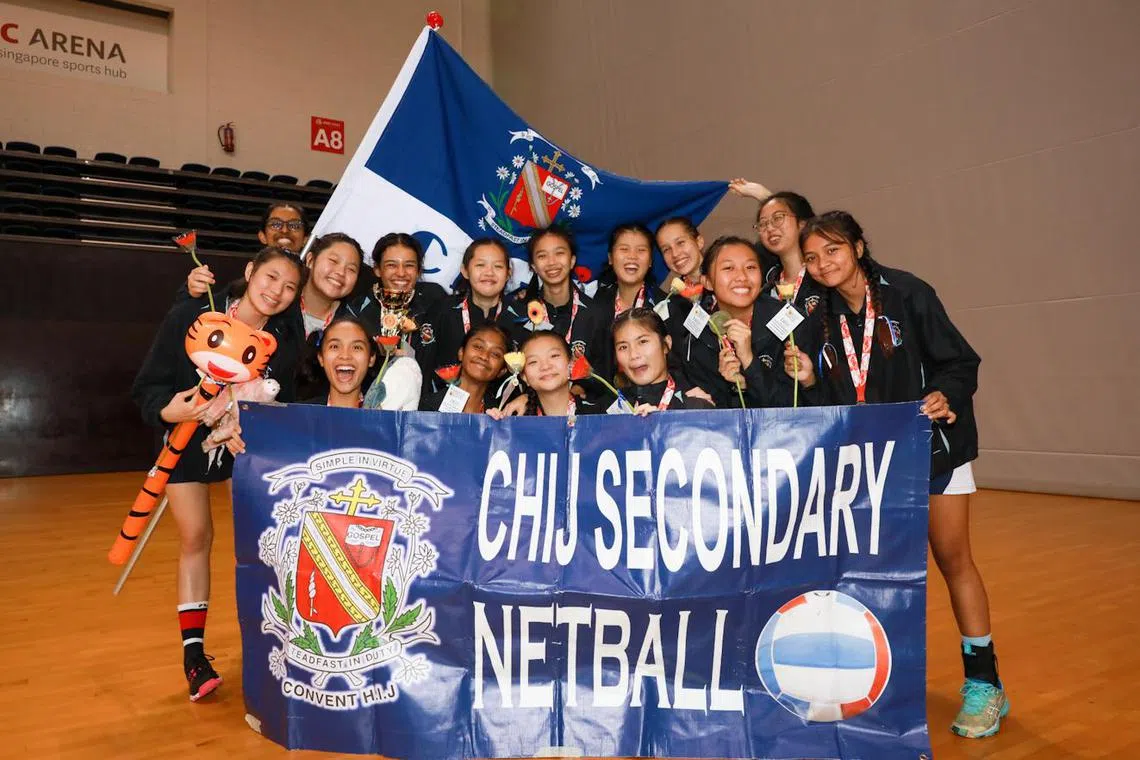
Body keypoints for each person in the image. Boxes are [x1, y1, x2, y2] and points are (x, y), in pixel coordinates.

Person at [781, 210, 1006, 739]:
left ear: (858, 247)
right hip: (871, 467)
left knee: (954, 562)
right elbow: (837, 400)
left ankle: (985, 683)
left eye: (832, 250)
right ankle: (876, 685)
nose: (822, 263)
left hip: (933, 452)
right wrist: (811, 377)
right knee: (874, 575)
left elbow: (960, 362)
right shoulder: (817, 315)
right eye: (811, 257)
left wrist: (945, 395)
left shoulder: (908, 293)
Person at [130, 246, 305, 702]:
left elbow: (283, 399)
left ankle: (282, 645)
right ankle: (194, 657)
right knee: (196, 536)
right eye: (270, 278)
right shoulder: (192, 312)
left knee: (268, 540)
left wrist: (244, 419)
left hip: (246, 447)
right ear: (249, 272)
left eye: (289, 287)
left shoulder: (285, 337)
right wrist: (171, 409)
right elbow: (148, 387)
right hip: (186, 441)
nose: (276, 292)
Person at [672, 236, 784, 409]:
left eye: (750, 267)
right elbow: (712, 416)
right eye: (729, 268)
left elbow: (795, 405)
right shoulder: (697, 340)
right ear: (707, 282)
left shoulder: (786, 322)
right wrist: (736, 387)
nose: (741, 276)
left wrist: (749, 361)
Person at [504, 224, 610, 402]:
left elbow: (605, 373)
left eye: (559, 253)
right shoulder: (517, 315)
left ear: (572, 260)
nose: (552, 262)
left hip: (583, 414)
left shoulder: (596, 313)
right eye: (542, 256)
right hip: (530, 413)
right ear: (533, 266)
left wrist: (577, 390)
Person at [418, 238, 514, 397]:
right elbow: (424, 364)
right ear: (465, 270)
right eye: (480, 265)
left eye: (498, 266)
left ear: (508, 273)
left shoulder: (523, 317)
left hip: (503, 413)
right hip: (444, 410)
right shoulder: (443, 311)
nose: (489, 272)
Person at [612, 308, 713, 413]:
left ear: (666, 344)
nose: (633, 355)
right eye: (623, 347)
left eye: (643, 341)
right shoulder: (611, 409)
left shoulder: (693, 405)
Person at [487, 330, 599, 419]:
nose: (545, 366)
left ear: (571, 363)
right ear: (524, 376)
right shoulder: (517, 420)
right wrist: (496, 426)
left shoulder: (599, 414)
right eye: (533, 362)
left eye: (554, 356)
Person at [420, 324, 512, 413]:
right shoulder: (426, 408)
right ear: (461, 353)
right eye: (478, 347)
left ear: (502, 371)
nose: (484, 356)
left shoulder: (502, 418)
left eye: (495, 354)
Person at [593, 223, 664, 322]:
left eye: (641, 250)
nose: (632, 256)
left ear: (650, 261)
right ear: (610, 258)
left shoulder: (666, 307)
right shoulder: (595, 303)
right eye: (624, 249)